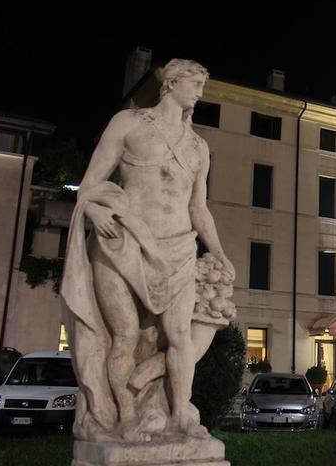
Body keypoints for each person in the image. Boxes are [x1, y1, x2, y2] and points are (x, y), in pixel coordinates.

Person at [61, 59, 233, 442]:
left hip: (178, 251)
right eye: (195, 85)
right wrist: (92, 208)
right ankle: (125, 414)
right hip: (123, 244)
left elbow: (198, 208)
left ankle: (180, 415)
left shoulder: (199, 147)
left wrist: (218, 251)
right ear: (171, 83)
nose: (200, 95)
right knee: (123, 335)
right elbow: (90, 184)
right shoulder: (129, 124)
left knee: (178, 336)